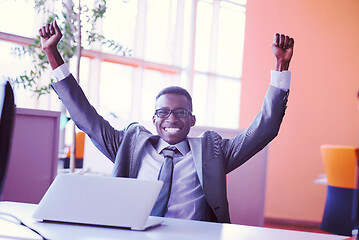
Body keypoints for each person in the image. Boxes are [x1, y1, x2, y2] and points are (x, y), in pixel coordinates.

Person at [39, 20, 294, 223]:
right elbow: (85, 118)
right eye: (163, 112)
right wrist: (52, 53)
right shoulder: (129, 146)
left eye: (180, 112)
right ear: (153, 119)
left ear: (192, 119)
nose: (171, 118)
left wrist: (281, 65)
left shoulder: (213, 153)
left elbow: (265, 128)